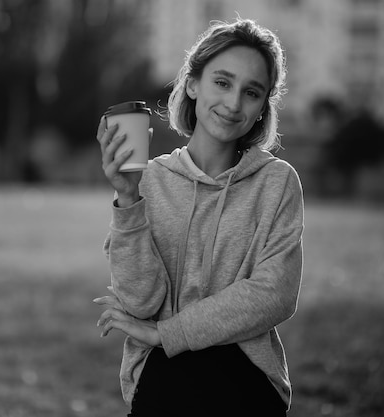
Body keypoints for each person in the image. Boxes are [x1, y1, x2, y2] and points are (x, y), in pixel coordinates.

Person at [93, 18, 304, 416]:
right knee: (174, 383)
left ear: (262, 108)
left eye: (251, 92)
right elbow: (140, 302)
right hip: (163, 378)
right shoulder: (149, 180)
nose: (233, 103)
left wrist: (165, 333)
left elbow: (275, 294)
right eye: (222, 83)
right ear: (193, 84)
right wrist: (127, 198)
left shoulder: (278, 183)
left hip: (246, 375)